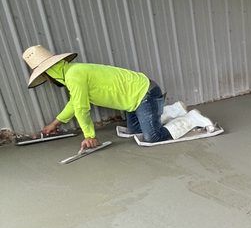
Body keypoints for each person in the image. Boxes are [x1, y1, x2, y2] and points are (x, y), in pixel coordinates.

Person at [22, 45, 172, 151]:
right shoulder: (72, 73)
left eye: (45, 76)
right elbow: (75, 102)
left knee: (152, 137)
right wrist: (55, 123)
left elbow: (81, 108)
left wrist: (89, 136)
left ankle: (189, 120)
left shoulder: (74, 75)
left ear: (49, 72)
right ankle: (163, 111)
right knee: (134, 130)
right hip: (133, 102)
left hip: (145, 93)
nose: (47, 80)